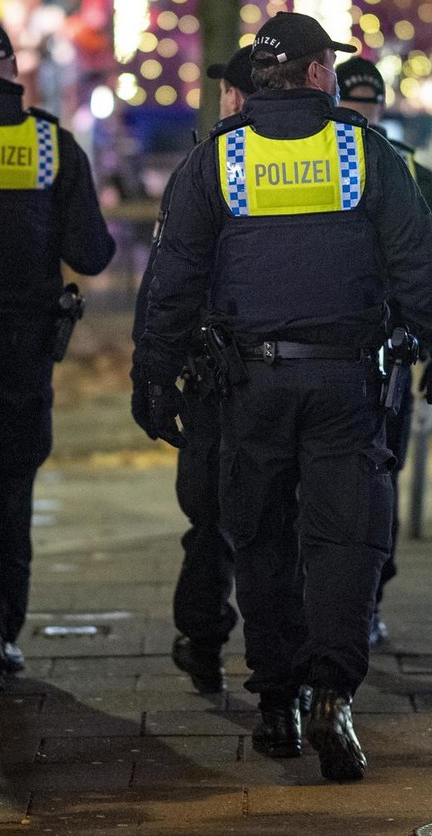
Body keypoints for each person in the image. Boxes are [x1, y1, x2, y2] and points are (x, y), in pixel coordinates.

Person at [132, 12, 432, 783]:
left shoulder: (217, 161)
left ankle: (278, 699)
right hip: (346, 382)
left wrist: (153, 375)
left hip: (249, 384)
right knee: (346, 540)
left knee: (262, 540)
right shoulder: (366, 154)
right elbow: (419, 263)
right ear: (319, 72)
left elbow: (175, 281)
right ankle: (332, 692)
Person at [0, 20, 115, 688]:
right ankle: (6, 630)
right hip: (26, 348)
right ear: (14, 69)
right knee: (13, 488)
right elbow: (91, 252)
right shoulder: (51, 143)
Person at [336, 57, 432, 648]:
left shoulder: (313, 163)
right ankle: (362, 603)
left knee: (358, 485)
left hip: (355, 357)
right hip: (380, 355)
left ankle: (351, 603)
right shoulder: (411, 174)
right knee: (375, 483)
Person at [131, 45, 257, 695]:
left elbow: (168, 281)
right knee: (276, 520)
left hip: (216, 375)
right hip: (297, 374)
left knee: (210, 516)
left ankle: (205, 640)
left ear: (237, 97)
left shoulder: (205, 167)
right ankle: (284, 672)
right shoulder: (337, 157)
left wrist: (150, 372)